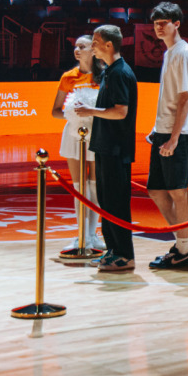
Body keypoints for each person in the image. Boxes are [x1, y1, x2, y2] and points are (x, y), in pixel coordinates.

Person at [146, 2, 188, 270]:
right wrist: (158, 129)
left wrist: (174, 137)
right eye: (156, 23)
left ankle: (183, 249)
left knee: (178, 191)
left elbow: (185, 98)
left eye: (164, 23)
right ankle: (183, 245)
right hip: (164, 130)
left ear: (177, 24)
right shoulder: (170, 52)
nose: (159, 27)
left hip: (177, 133)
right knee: (156, 190)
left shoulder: (183, 53)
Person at [75, 25, 138, 272]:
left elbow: (121, 111)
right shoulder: (110, 72)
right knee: (107, 203)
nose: (92, 46)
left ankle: (124, 254)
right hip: (105, 147)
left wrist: (89, 111)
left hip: (116, 149)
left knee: (116, 203)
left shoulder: (120, 73)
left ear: (109, 45)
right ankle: (113, 250)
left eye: (96, 42)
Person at [52, 35, 104, 252]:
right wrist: (72, 114)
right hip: (74, 134)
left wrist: (92, 114)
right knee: (79, 186)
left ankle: (93, 234)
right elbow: (55, 111)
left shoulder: (104, 75)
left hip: (97, 133)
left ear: (93, 50)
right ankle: (82, 234)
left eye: (82, 46)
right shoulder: (68, 77)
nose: (77, 49)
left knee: (94, 186)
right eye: (76, 46)